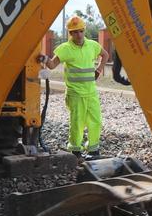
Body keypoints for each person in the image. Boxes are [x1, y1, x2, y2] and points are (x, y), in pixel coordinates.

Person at [38, 15, 109, 157]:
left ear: (84, 31)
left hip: (91, 93)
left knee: (95, 121)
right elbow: (52, 65)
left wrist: (99, 69)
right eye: (75, 32)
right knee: (77, 123)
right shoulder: (65, 49)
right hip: (75, 94)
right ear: (70, 34)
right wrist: (44, 58)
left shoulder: (92, 46)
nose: (79, 34)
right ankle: (75, 150)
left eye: (81, 31)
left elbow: (105, 55)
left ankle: (93, 149)